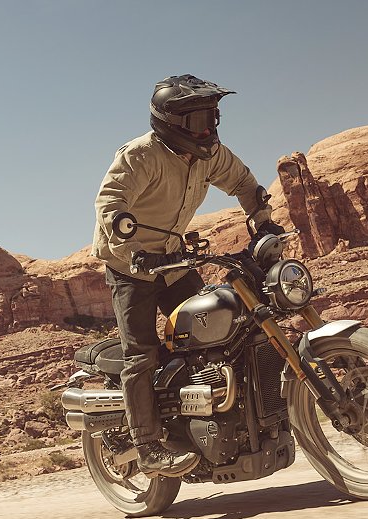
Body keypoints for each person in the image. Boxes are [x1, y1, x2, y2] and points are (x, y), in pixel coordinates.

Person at [92, 74, 283, 476]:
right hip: (131, 265)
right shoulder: (140, 155)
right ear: (170, 121)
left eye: (212, 116)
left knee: (219, 328)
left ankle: (219, 416)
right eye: (199, 120)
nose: (209, 128)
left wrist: (262, 221)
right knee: (141, 354)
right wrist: (130, 245)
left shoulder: (210, 155)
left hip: (173, 259)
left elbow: (246, 184)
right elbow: (111, 201)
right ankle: (147, 446)